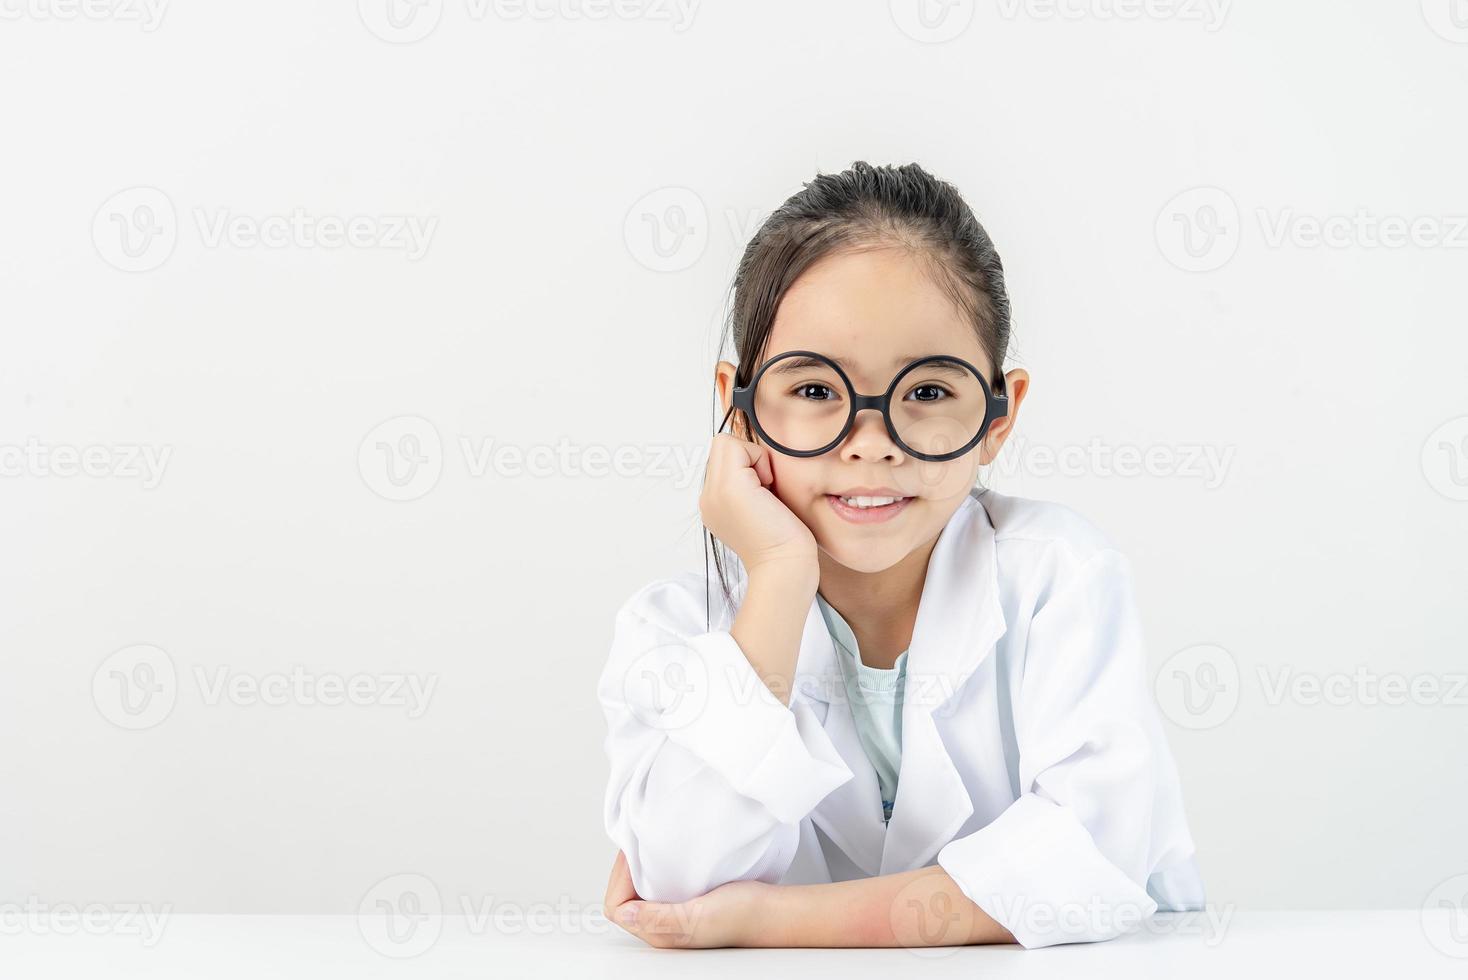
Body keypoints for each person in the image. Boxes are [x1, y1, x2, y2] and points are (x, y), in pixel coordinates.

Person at [597, 161, 1204, 949]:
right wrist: (780, 579)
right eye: (815, 390)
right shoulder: (675, 629)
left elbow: (1089, 863)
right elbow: (680, 882)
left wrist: (769, 919)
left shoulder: (1059, 577)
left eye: (926, 392)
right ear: (738, 407)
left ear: (998, 413)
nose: (871, 445)